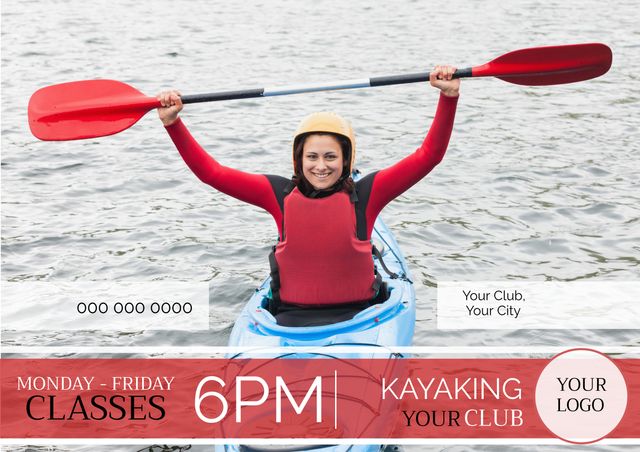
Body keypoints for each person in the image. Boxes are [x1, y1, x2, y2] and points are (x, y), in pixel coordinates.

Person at [158, 65, 460, 326]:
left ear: (346, 161)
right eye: (312, 157)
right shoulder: (277, 194)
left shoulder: (369, 194)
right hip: (288, 321)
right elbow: (212, 173)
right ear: (298, 159)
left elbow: (428, 156)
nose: (320, 166)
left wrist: (448, 97)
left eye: (331, 157)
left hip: (362, 317)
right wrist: (173, 123)